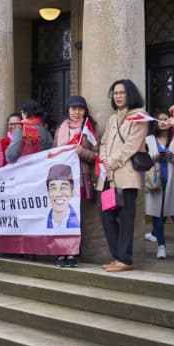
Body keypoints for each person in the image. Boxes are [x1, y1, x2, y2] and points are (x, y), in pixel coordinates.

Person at [99, 79, 149, 272]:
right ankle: (118, 256)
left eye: (122, 92)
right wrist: (105, 161)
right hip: (109, 176)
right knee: (106, 216)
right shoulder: (113, 119)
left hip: (127, 175)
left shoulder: (139, 116)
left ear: (130, 95)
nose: (118, 96)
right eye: (115, 93)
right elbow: (103, 143)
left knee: (126, 217)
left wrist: (111, 163)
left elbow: (131, 146)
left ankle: (125, 259)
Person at [53, 95, 99, 267]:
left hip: (79, 178)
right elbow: (53, 153)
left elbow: (96, 155)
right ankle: (60, 252)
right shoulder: (61, 128)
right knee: (61, 214)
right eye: (74, 109)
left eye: (80, 109)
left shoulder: (89, 130)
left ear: (85, 111)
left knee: (74, 217)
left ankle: (71, 253)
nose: (77, 112)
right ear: (68, 111)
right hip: (61, 179)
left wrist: (81, 152)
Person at [145, 111, 174, 260]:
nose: (162, 122)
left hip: (173, 182)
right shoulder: (148, 140)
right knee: (157, 215)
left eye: (165, 119)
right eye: (159, 119)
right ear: (155, 122)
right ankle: (161, 246)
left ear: (170, 122)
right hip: (155, 182)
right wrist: (153, 157)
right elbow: (142, 160)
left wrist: (172, 157)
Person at [46, 164, 80, 230]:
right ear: (48, 193)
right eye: (53, 188)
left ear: (72, 192)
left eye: (64, 188)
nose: (58, 194)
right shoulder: (42, 222)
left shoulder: (78, 219)